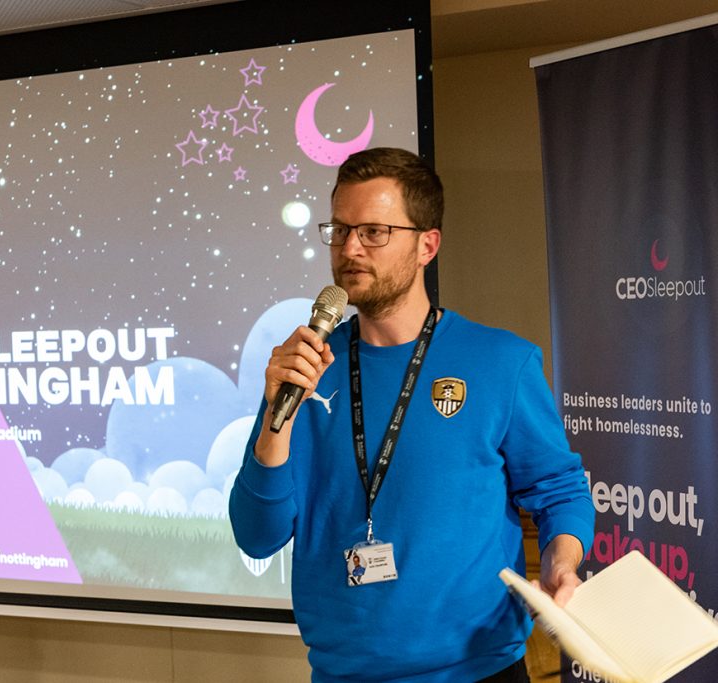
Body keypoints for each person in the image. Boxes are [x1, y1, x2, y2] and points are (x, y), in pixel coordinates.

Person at [229, 147, 594, 682]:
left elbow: (559, 489)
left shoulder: (501, 363)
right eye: (340, 230)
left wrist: (562, 564)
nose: (350, 248)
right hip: (344, 673)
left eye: (374, 231)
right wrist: (273, 420)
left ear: (428, 244)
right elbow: (257, 536)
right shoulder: (304, 369)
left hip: (479, 671)